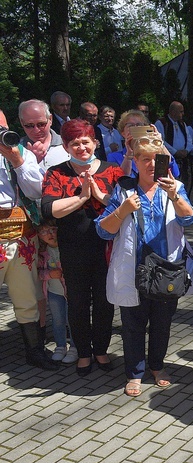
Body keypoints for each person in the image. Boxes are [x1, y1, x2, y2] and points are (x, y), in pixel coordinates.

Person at [95, 137, 193, 396]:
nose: (152, 164)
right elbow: (103, 230)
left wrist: (175, 196)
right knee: (133, 324)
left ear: (167, 162)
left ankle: (157, 366)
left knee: (162, 324)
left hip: (166, 270)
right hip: (134, 269)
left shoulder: (176, 187)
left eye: (158, 159)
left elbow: (190, 219)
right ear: (136, 162)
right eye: (145, 159)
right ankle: (135, 372)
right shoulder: (124, 191)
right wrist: (123, 210)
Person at [42, 119, 124, 376]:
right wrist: (81, 197)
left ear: (95, 143)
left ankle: (101, 350)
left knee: (104, 301)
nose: (81, 148)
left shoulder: (112, 170)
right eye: (74, 143)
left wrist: (98, 196)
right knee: (77, 303)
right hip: (73, 249)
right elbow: (49, 209)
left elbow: (124, 206)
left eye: (85, 142)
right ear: (66, 146)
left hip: (106, 249)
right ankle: (84, 353)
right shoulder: (57, 172)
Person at [0, 108, 57, 370]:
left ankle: (35, 352)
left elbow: (37, 190)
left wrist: (17, 161)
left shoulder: (20, 152)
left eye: (1, 127)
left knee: (27, 298)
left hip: (21, 235)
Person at [36, 219, 76, 364]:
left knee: (72, 319)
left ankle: (74, 346)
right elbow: (38, 273)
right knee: (57, 320)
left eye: (52, 229)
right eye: (44, 232)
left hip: (70, 291)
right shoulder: (43, 253)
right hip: (54, 292)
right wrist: (49, 274)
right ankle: (60, 346)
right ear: (39, 236)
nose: (50, 234)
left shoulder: (67, 247)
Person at [108, 109, 179, 178]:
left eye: (139, 125)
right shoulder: (114, 157)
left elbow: (174, 173)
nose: (136, 128)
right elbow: (118, 180)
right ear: (123, 133)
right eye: (130, 125)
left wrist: (160, 143)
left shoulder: (153, 155)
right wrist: (129, 155)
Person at [18, 99, 70, 171]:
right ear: (22, 123)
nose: (36, 130)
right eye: (29, 125)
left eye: (41, 124)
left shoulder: (68, 145)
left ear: (50, 119)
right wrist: (30, 161)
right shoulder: (16, 151)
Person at [155, 101, 193, 175]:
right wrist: (175, 152)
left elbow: (189, 139)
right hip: (168, 159)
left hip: (183, 159)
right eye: (181, 111)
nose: (183, 114)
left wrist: (186, 150)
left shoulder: (182, 124)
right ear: (173, 112)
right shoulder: (162, 123)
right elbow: (160, 140)